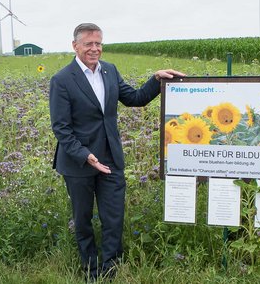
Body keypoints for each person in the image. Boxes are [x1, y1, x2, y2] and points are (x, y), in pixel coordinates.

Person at [49, 22, 184, 280]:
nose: (94, 48)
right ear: (75, 46)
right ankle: (90, 269)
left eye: (98, 43)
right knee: (83, 218)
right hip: (79, 162)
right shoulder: (62, 80)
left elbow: (135, 98)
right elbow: (61, 128)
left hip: (110, 158)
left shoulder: (109, 71)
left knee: (113, 218)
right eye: (88, 43)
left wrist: (156, 79)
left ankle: (111, 269)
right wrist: (86, 156)